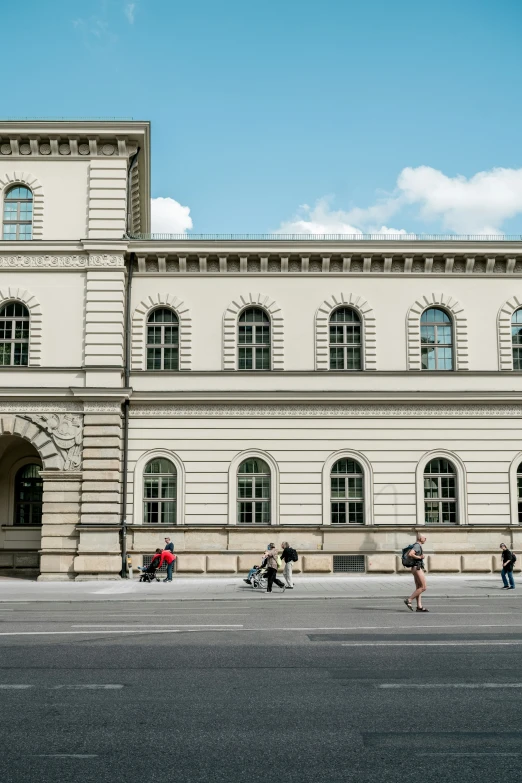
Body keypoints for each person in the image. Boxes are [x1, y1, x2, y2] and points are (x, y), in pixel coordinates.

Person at [404, 534, 428, 612]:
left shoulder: (416, 545)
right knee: (423, 587)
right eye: (425, 537)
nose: (426, 539)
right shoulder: (417, 545)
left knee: (419, 588)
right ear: (420, 538)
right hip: (417, 567)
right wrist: (420, 557)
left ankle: (419, 607)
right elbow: (411, 554)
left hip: (414, 568)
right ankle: (409, 600)